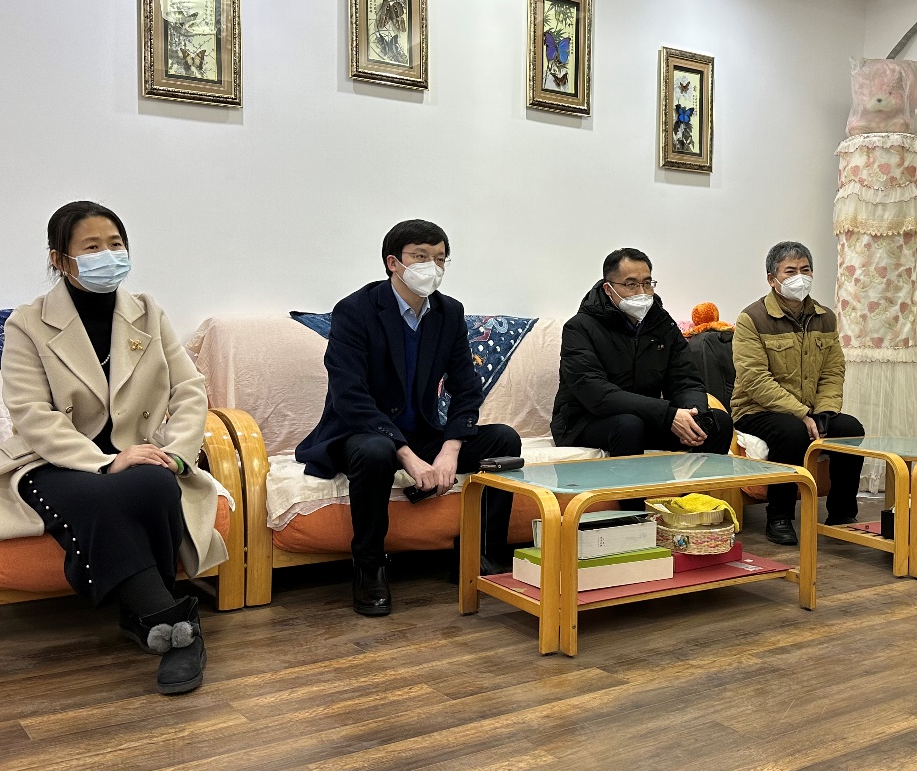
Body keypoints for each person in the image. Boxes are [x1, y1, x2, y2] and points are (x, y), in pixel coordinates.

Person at [0, 202, 226, 694]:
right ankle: (174, 626)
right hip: (54, 460)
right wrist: (106, 461)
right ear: (59, 258)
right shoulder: (27, 323)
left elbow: (189, 388)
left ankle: (140, 616)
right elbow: (31, 413)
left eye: (115, 244)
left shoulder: (147, 312)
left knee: (155, 484)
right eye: (91, 247)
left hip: (140, 451)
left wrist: (177, 452)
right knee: (99, 497)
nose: (108, 255)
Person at [295, 219, 520, 617]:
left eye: (440, 258)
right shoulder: (355, 310)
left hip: (422, 431)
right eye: (420, 256)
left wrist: (450, 449)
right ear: (393, 263)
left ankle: (478, 554)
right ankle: (369, 567)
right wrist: (408, 456)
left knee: (503, 439)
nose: (432, 267)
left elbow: (466, 389)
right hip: (358, 433)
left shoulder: (449, 312)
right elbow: (350, 396)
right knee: (377, 451)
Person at [731, 241, 865, 545]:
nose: (799, 278)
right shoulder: (752, 318)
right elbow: (754, 379)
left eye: (805, 270)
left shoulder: (825, 317)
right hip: (756, 410)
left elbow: (833, 370)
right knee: (792, 432)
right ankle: (779, 516)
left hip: (811, 409)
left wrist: (825, 412)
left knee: (850, 428)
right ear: (772, 278)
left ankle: (842, 514)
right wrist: (802, 414)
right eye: (790, 271)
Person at [551, 248, 734, 461]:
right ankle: (630, 486)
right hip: (584, 421)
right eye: (631, 284)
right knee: (628, 425)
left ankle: (698, 485)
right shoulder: (579, 328)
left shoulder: (662, 324)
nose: (642, 292)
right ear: (608, 289)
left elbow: (685, 380)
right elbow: (597, 394)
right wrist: (667, 415)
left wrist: (694, 414)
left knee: (717, 423)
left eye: (647, 283)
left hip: (646, 416)